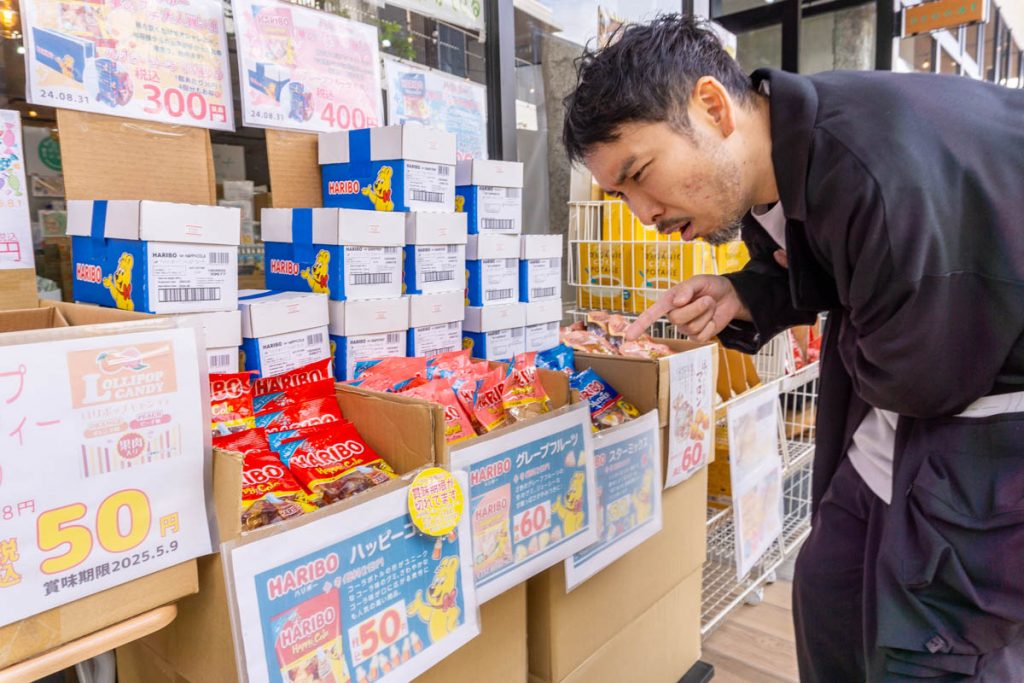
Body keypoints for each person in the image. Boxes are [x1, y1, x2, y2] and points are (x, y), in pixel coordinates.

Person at [562, 14, 1024, 682]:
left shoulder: (871, 168)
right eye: (620, 194)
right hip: (902, 423)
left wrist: (832, 305)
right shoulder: (781, 164)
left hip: (984, 438)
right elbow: (832, 274)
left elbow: (918, 372)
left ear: (713, 106)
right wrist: (747, 290)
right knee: (826, 590)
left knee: (931, 653)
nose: (644, 214)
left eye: (640, 173)